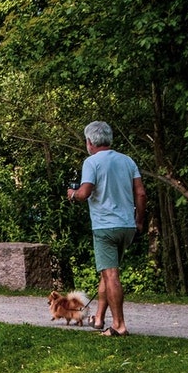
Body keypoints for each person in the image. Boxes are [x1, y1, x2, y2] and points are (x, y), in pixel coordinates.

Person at [66, 121, 145, 336]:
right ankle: (99, 318)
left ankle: (119, 325)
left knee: (111, 275)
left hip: (105, 227)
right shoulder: (127, 161)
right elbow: (141, 193)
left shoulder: (92, 162)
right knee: (107, 274)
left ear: (90, 142)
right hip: (127, 226)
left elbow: (84, 193)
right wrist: (139, 221)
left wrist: (72, 195)